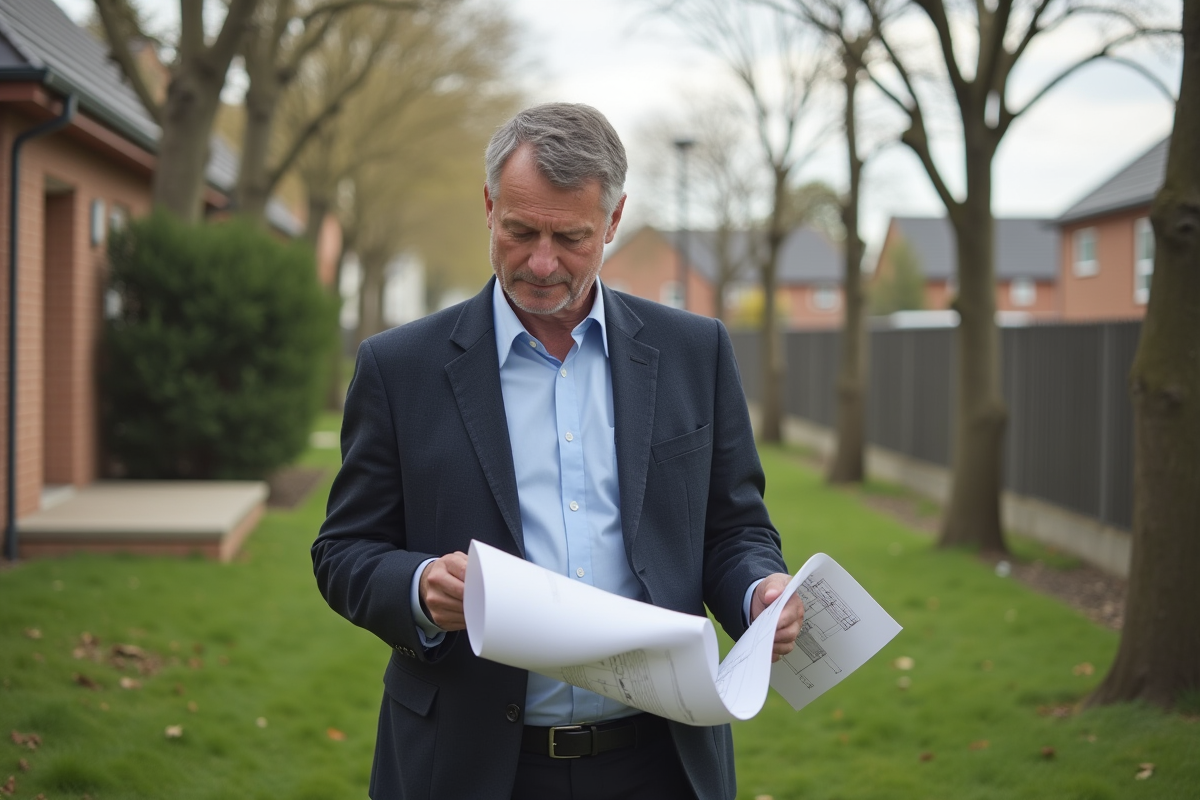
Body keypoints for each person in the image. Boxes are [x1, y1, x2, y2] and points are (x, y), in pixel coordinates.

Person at [313, 102, 803, 800]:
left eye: (570, 237)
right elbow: (343, 551)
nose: (541, 263)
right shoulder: (399, 369)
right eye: (519, 231)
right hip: (469, 766)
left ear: (613, 219)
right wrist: (419, 588)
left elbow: (733, 530)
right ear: (488, 206)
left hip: (661, 762)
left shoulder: (696, 353)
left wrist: (759, 592)